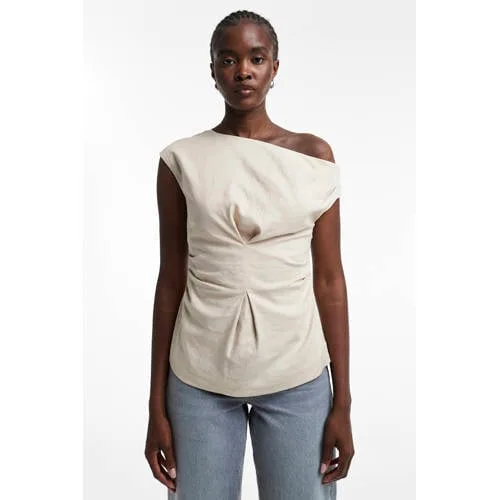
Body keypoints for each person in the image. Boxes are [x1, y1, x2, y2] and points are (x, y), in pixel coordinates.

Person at [145, 9, 354, 499]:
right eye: (229, 59)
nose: (243, 71)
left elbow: (330, 281)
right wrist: (155, 406)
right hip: (198, 377)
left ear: (274, 67)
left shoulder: (313, 157)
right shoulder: (181, 161)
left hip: (297, 374)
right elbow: (170, 281)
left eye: (256, 58)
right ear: (213, 70)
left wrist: (342, 401)